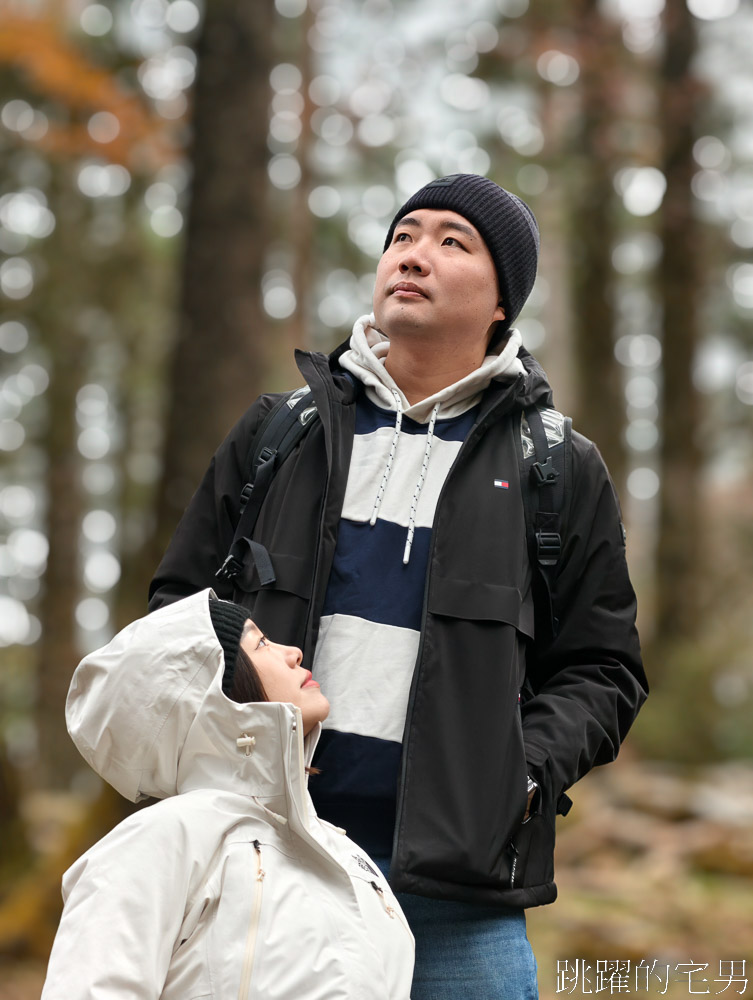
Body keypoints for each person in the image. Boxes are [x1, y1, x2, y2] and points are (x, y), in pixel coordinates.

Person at [149, 173, 648, 998]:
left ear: (502, 302)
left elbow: (602, 670)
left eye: (452, 242)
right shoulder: (281, 432)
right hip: (262, 866)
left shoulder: (555, 466)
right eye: (402, 236)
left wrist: (515, 778)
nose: (414, 255)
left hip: (457, 902)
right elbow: (177, 610)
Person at [41, 589, 414, 1000]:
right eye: (261, 643)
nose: (293, 652)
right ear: (209, 693)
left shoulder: (348, 855)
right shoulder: (161, 840)